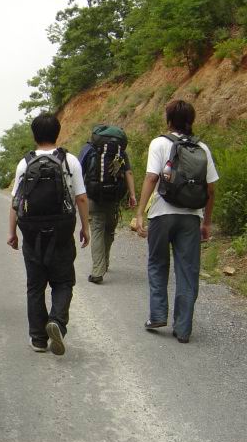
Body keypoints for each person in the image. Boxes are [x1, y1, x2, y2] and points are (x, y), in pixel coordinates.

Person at [135, 100, 218, 343]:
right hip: (191, 216)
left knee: (157, 263)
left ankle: (158, 315)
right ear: (191, 120)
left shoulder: (159, 143)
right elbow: (211, 189)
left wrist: (140, 213)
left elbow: (152, 178)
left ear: (168, 120)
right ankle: (183, 328)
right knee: (188, 271)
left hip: (161, 214)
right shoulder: (202, 148)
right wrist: (206, 222)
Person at [7, 113, 90, 355]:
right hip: (62, 230)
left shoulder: (25, 163)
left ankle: (38, 339)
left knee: (35, 286)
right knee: (63, 281)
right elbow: (81, 198)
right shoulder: (69, 161)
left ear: (34, 135)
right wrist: (85, 227)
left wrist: (12, 233)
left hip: (32, 233)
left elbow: (16, 202)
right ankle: (57, 321)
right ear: (58, 132)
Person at [78, 125, 137, 284]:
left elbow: (78, 172)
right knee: (109, 230)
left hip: (93, 196)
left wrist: (77, 196)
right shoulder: (120, 151)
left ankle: (98, 271)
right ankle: (105, 262)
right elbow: (128, 172)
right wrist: (132, 195)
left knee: (97, 230)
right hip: (114, 197)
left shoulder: (89, 149)